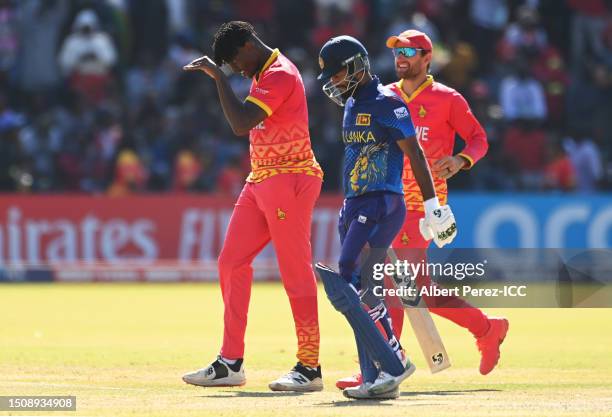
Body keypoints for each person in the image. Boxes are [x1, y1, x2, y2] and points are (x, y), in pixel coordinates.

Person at [336, 29, 509, 390]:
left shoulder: (448, 99)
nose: (402, 57)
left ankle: (387, 365)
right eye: (398, 51)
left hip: (422, 207)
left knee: (405, 287)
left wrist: (462, 160)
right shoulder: (384, 96)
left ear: (427, 58)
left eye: (411, 51)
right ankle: (482, 329)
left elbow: (478, 139)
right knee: (391, 285)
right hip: (385, 199)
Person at [181, 21, 324, 392]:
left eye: (234, 61)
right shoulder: (262, 73)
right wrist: (223, 74)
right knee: (231, 262)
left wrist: (216, 77)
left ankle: (310, 367)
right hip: (261, 179)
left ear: (248, 45)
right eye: (228, 66)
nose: (237, 69)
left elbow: (241, 123)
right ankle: (230, 362)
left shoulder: (279, 74)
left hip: (290, 178)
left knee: (294, 271)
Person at [317, 35, 458, 399]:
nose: (333, 81)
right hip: (355, 203)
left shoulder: (388, 103)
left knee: (346, 278)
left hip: (382, 203)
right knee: (364, 287)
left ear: (357, 66)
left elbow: (415, 154)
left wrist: (432, 206)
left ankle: (393, 360)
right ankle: (373, 375)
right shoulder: (351, 103)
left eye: (336, 73)